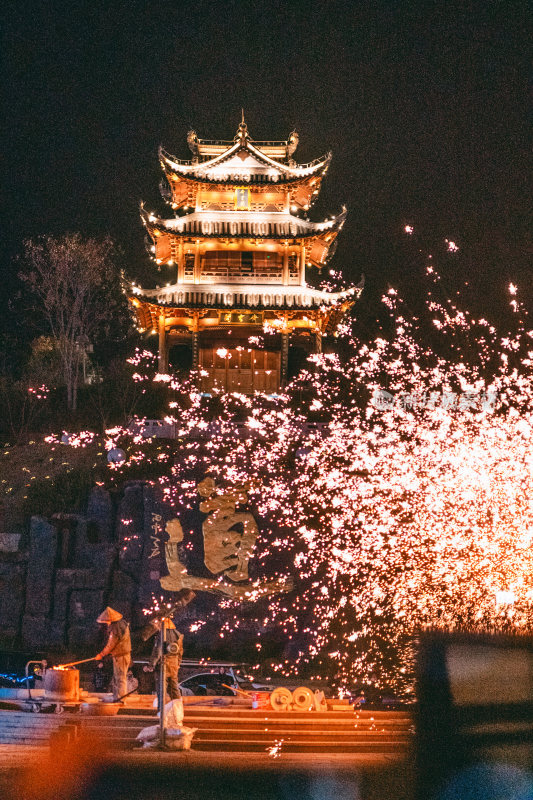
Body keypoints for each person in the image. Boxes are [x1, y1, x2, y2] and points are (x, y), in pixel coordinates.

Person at [144, 617, 183, 708]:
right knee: (174, 688)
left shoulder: (162, 635)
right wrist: (178, 664)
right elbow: (180, 652)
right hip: (174, 664)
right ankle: (177, 709)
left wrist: (151, 665)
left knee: (162, 689)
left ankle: (161, 712)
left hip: (164, 664)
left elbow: (158, 651)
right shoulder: (178, 634)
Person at [94, 606, 131, 702]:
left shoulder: (116, 628)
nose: (105, 623)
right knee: (118, 677)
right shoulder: (122, 623)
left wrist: (101, 655)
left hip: (121, 656)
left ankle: (121, 698)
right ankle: (118, 696)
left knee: (120, 678)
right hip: (121, 655)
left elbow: (111, 644)